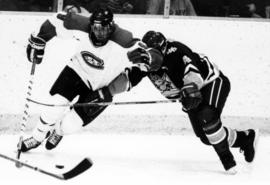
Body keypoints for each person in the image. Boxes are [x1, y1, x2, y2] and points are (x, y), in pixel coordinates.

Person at [113, 31, 259, 173]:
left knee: (207, 116)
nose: (152, 65)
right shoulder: (146, 59)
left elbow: (194, 74)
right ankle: (246, 138)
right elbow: (131, 77)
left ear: (163, 49)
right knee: (206, 137)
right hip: (188, 94)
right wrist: (107, 92)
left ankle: (228, 162)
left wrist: (190, 89)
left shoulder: (176, 51)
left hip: (212, 82)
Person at [19, 7, 144, 152]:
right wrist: (40, 38)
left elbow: (145, 53)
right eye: (96, 28)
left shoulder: (123, 40)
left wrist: (150, 58)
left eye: (105, 28)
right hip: (76, 71)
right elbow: (56, 21)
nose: (100, 32)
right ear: (91, 25)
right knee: (53, 107)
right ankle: (37, 137)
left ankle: (58, 131)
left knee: (70, 125)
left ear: (112, 26)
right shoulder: (79, 24)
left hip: (101, 87)